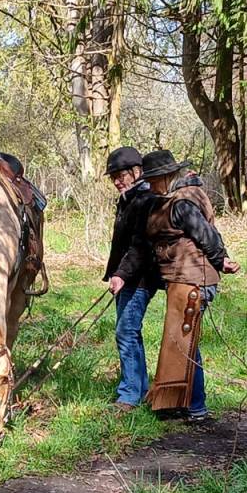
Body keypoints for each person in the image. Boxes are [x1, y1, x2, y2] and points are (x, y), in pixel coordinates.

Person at [111, 150, 239, 423]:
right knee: (182, 342)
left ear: (166, 176)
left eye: (155, 179)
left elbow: (207, 235)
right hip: (183, 280)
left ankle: (196, 408)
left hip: (194, 280)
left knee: (185, 343)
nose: (152, 185)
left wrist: (223, 260)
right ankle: (183, 404)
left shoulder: (181, 203)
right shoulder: (171, 200)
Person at [103, 147, 162, 412]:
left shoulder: (145, 201)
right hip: (128, 278)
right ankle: (139, 389)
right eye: (112, 176)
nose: (116, 180)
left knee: (125, 332)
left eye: (120, 175)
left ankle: (129, 395)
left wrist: (120, 275)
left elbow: (140, 246)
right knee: (129, 332)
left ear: (136, 172)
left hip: (139, 279)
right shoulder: (128, 199)